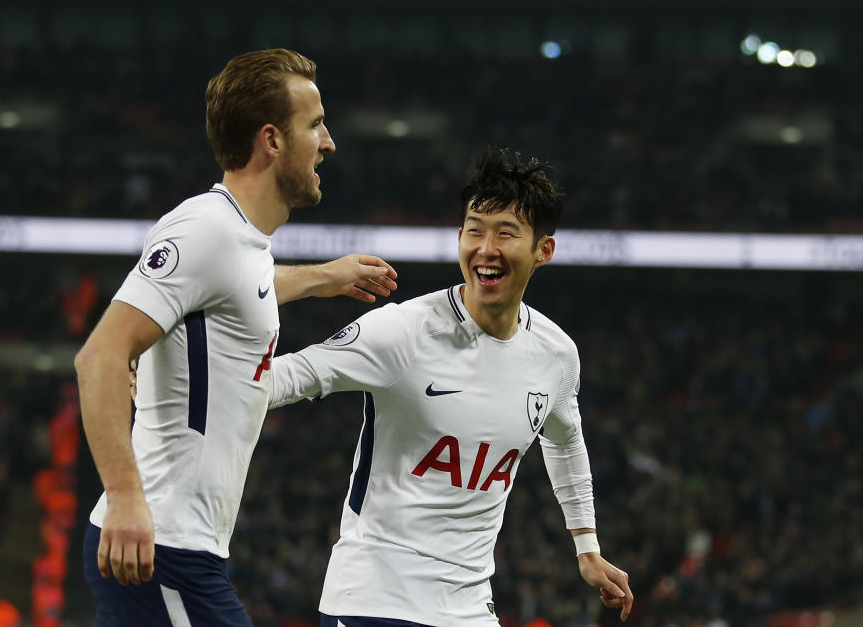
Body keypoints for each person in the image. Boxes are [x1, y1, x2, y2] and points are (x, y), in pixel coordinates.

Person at [74, 48, 398, 627]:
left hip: (175, 549)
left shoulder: (238, 241)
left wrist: (324, 277)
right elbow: (100, 354)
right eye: (316, 124)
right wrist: (124, 494)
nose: (328, 142)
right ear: (271, 140)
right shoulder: (207, 230)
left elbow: (238, 287)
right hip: (162, 548)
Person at [269, 148, 634, 626]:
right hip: (374, 601)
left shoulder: (556, 355)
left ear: (543, 250)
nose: (486, 248)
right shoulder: (404, 332)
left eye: (506, 233)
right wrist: (169, 376)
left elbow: (566, 442)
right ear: (459, 237)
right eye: (475, 230)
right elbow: (286, 378)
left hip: (467, 609)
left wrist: (587, 547)